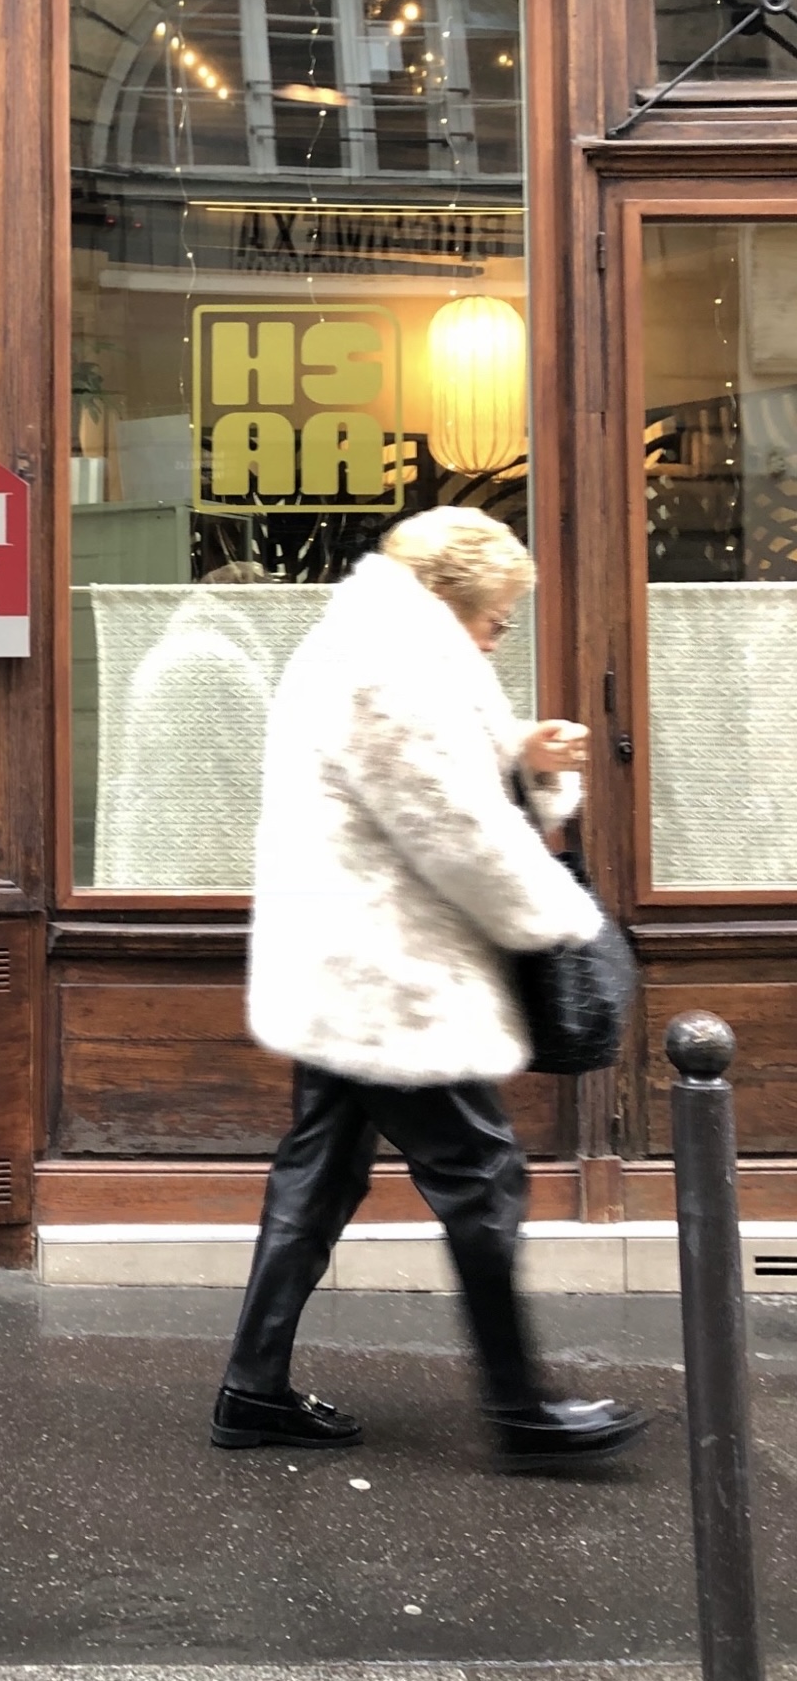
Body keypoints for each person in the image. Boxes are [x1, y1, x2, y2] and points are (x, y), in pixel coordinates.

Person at [213, 506, 646, 1469]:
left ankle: (253, 1388)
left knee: (322, 1171)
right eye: (495, 618)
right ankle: (522, 1410)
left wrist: (526, 758)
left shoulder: (387, 647)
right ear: (450, 597)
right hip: (389, 973)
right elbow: (453, 827)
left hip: (354, 963)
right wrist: (564, 920)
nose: (498, 637)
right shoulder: (388, 661)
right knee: (481, 1172)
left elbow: (442, 784)